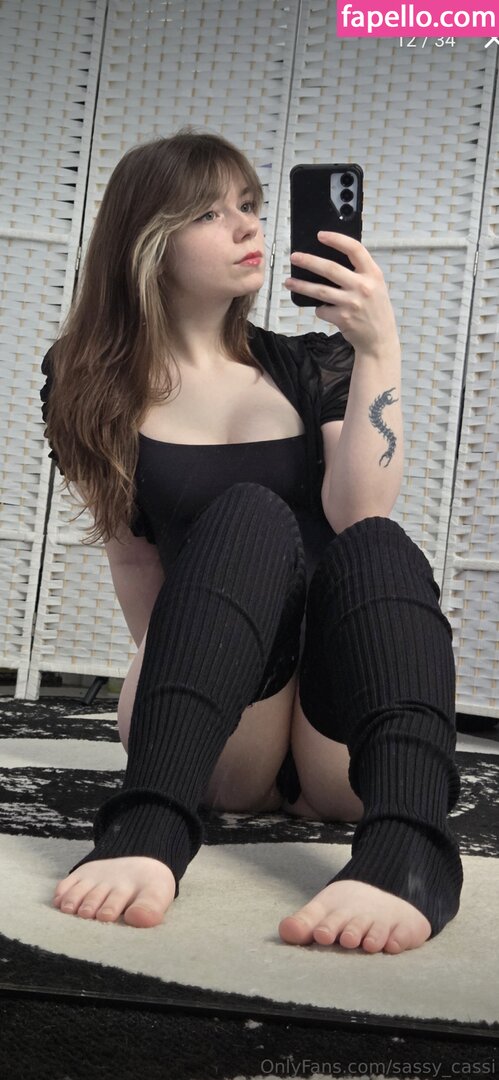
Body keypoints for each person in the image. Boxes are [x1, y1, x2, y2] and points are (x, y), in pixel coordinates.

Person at [40, 126, 463, 953]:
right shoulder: (86, 378)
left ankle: (409, 848)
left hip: (338, 717)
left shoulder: (313, 363)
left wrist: (377, 348)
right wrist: (178, 670)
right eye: (209, 213)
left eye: (250, 206)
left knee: (380, 546)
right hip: (221, 721)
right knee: (248, 516)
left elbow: (359, 511)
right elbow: (132, 553)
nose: (247, 229)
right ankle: (151, 823)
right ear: (148, 241)